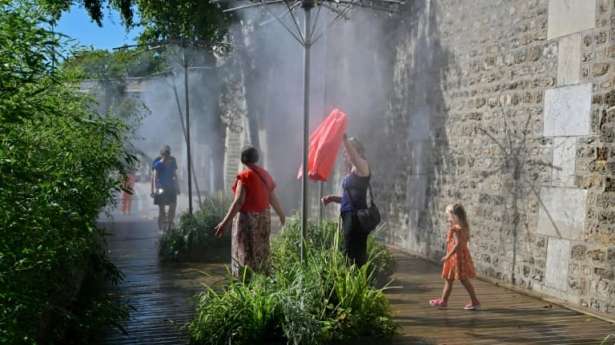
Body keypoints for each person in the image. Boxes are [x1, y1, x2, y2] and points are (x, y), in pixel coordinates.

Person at [214, 146, 285, 277]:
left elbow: (238, 202)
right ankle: (263, 279)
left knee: (245, 251)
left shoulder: (244, 176)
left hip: (248, 220)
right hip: (263, 219)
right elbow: (272, 198)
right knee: (261, 250)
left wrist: (224, 223)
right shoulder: (265, 175)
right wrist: (281, 214)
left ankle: (246, 282)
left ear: (243, 159)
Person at [321, 134, 371, 266]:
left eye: (348, 150)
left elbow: (354, 157)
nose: (345, 153)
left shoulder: (363, 166)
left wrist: (345, 140)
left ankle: (357, 282)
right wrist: (332, 198)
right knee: (348, 250)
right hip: (349, 216)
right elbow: (349, 197)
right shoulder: (353, 171)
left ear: (357, 150)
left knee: (353, 253)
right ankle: (352, 279)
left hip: (356, 217)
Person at [429, 203, 481, 310]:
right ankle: (443, 301)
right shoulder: (464, 225)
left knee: (463, 280)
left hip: (455, 258)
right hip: (461, 255)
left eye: (449, 216)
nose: (448, 218)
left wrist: (447, 256)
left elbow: (457, 245)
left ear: (454, 216)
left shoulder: (456, 228)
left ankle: (475, 301)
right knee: (449, 279)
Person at [151, 145, 179, 231]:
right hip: (161, 188)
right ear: (162, 155)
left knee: (173, 206)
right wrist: (154, 190)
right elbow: (154, 178)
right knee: (162, 209)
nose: (167, 156)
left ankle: (170, 222)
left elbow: (175, 175)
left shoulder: (173, 162)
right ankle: (161, 225)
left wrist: (177, 187)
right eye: (165, 154)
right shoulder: (158, 164)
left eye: (168, 154)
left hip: (171, 187)